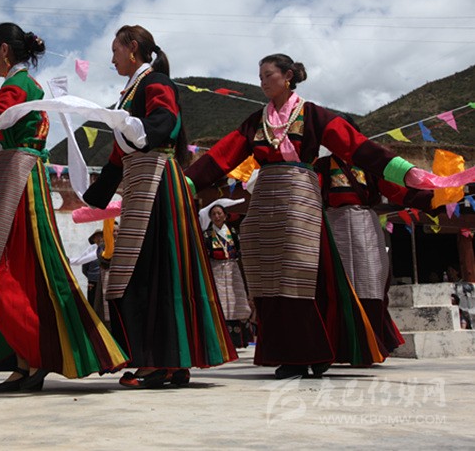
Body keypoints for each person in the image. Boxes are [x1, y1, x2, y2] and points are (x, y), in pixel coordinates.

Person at [184, 53, 453, 379]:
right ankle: (287, 354)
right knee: (266, 276)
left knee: (301, 276)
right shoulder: (255, 122)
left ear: (288, 77)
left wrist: (411, 174)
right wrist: (183, 182)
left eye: (268, 75)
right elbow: (221, 156)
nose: (263, 81)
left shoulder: (314, 116)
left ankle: (313, 351)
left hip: (301, 202)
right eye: (260, 76)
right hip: (265, 202)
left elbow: (358, 146)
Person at [0, 22, 127, 393]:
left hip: (21, 183)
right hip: (13, 178)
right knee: (6, 271)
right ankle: (24, 360)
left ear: (4, 49)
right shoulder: (19, 90)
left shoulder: (19, 87)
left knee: (11, 272)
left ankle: (34, 358)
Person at [83, 25, 236, 389]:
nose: (112, 59)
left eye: (115, 50)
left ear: (132, 48)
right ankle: (171, 361)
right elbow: (122, 150)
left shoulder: (156, 82)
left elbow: (163, 123)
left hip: (157, 182)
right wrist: (96, 194)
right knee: (148, 269)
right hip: (141, 181)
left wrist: (130, 124)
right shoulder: (132, 91)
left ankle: (157, 362)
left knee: (151, 270)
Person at [315, 116, 434, 355]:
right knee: (335, 284)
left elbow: (396, 190)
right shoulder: (322, 166)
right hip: (333, 225)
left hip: (365, 225)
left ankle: (370, 344)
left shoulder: (370, 165)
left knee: (370, 282)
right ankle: (338, 347)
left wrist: (432, 199)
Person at [200, 201, 254, 349]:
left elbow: (239, 249)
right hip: (216, 269)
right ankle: (221, 340)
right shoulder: (207, 235)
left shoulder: (233, 232)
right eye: (213, 214)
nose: (217, 216)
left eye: (219, 213)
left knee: (237, 300)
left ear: (225, 216)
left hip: (232, 268)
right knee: (220, 300)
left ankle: (240, 340)